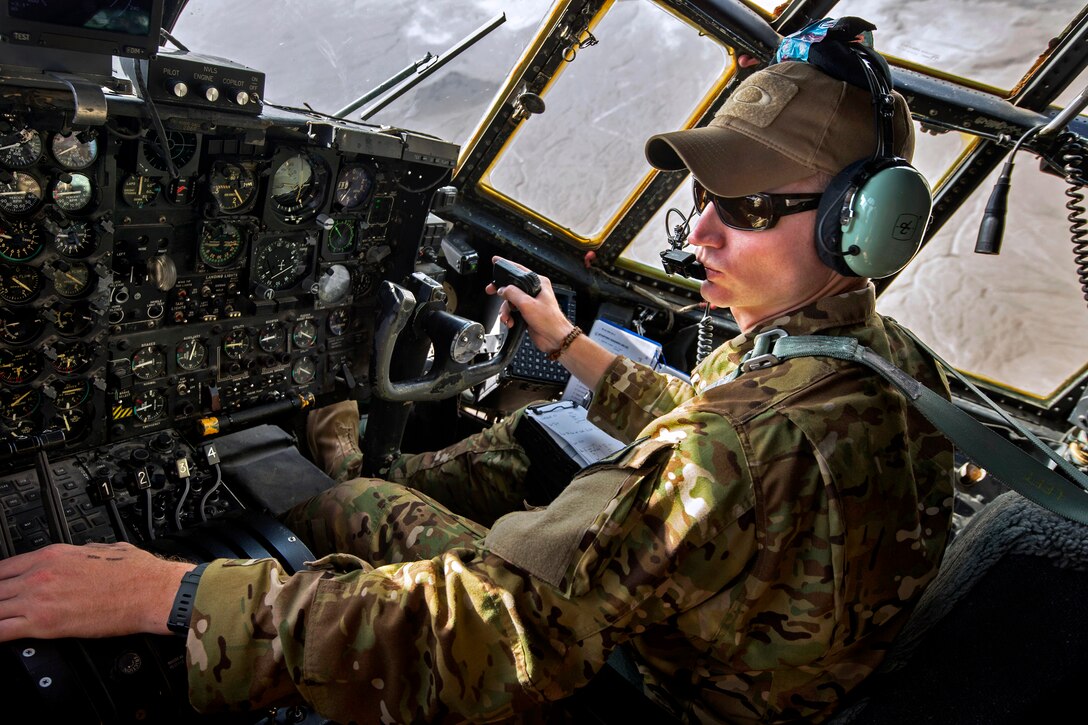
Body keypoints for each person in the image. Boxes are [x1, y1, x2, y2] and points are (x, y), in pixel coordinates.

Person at [0, 41, 954, 724]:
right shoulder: (888, 365)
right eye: (703, 197)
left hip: (645, 689)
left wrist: (172, 596)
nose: (700, 232)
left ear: (859, 227)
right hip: (763, 662)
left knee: (357, 500)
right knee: (520, 437)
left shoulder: (731, 447)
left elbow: (487, 637)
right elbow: (706, 420)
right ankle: (331, 446)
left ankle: (328, 460)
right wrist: (570, 345)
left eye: (746, 208)